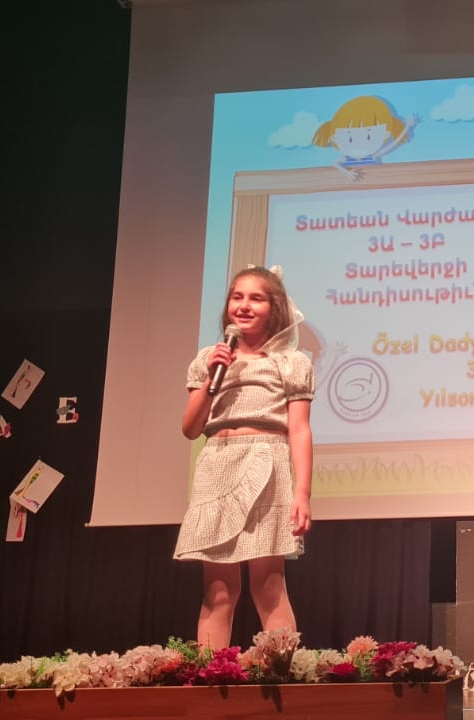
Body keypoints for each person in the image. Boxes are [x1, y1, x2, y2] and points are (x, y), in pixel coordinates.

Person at [174, 265, 314, 649]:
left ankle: (281, 672)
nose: (244, 305)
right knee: (218, 589)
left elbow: (299, 430)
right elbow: (190, 428)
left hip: (267, 462)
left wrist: (302, 493)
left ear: (275, 307)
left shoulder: (290, 362)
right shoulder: (209, 358)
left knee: (269, 585)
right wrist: (211, 377)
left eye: (256, 298)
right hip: (217, 464)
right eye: (237, 296)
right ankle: (212, 675)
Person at [311, 95, 419, 181]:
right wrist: (347, 173)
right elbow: (334, 164)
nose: (358, 143)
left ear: (386, 134)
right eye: (350, 139)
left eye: (368, 137)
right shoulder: (346, 158)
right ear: (334, 137)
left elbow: (394, 143)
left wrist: (407, 127)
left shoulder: (373, 156)